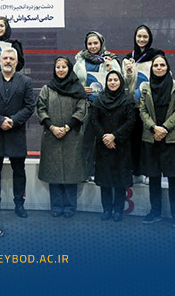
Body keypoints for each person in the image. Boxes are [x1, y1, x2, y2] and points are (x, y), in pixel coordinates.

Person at [0, 47, 36, 218]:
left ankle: (19, 204)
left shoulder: (26, 81)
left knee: (19, 172)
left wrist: (12, 120)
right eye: (5, 58)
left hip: (16, 132)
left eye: (11, 59)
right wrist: (0, 120)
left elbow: (29, 106)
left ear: (16, 62)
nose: (8, 61)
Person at [35, 57, 88, 218]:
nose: (60, 70)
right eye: (58, 67)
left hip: (72, 136)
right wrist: (52, 127)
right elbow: (40, 108)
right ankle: (57, 206)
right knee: (54, 173)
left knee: (71, 172)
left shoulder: (77, 89)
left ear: (69, 68)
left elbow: (82, 110)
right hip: (52, 135)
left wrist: (66, 128)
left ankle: (70, 207)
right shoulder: (47, 89)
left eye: (63, 67)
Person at [138, 55, 175, 228]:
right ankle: (155, 212)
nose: (159, 68)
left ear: (167, 67)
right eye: (156, 65)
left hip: (172, 138)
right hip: (152, 138)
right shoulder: (146, 87)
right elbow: (142, 110)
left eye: (162, 65)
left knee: (174, 178)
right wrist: (154, 128)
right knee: (154, 177)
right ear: (152, 69)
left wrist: (164, 128)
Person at [74, 31, 121, 179]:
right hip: (86, 106)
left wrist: (109, 68)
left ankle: (102, 172)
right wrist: (81, 89)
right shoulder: (80, 61)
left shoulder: (111, 59)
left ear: (101, 43)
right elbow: (72, 83)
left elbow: (119, 81)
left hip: (106, 107)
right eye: (90, 43)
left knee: (103, 140)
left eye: (95, 43)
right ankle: (86, 172)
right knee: (86, 140)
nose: (93, 46)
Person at [90, 71, 134, 223]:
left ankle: (118, 210)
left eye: (116, 80)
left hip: (121, 146)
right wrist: (105, 137)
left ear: (120, 82)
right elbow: (94, 120)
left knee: (120, 181)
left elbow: (130, 121)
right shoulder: (99, 100)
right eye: (110, 80)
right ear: (106, 82)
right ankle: (107, 209)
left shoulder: (127, 100)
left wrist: (114, 136)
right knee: (105, 180)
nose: (113, 82)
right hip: (103, 147)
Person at [123, 25, 165, 182]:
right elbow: (125, 85)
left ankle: (151, 172)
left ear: (150, 38)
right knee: (134, 140)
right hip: (134, 106)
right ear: (135, 38)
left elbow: (162, 77)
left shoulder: (157, 56)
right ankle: (136, 172)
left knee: (151, 140)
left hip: (151, 106)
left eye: (145, 37)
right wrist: (128, 72)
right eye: (139, 36)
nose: (142, 39)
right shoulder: (128, 58)